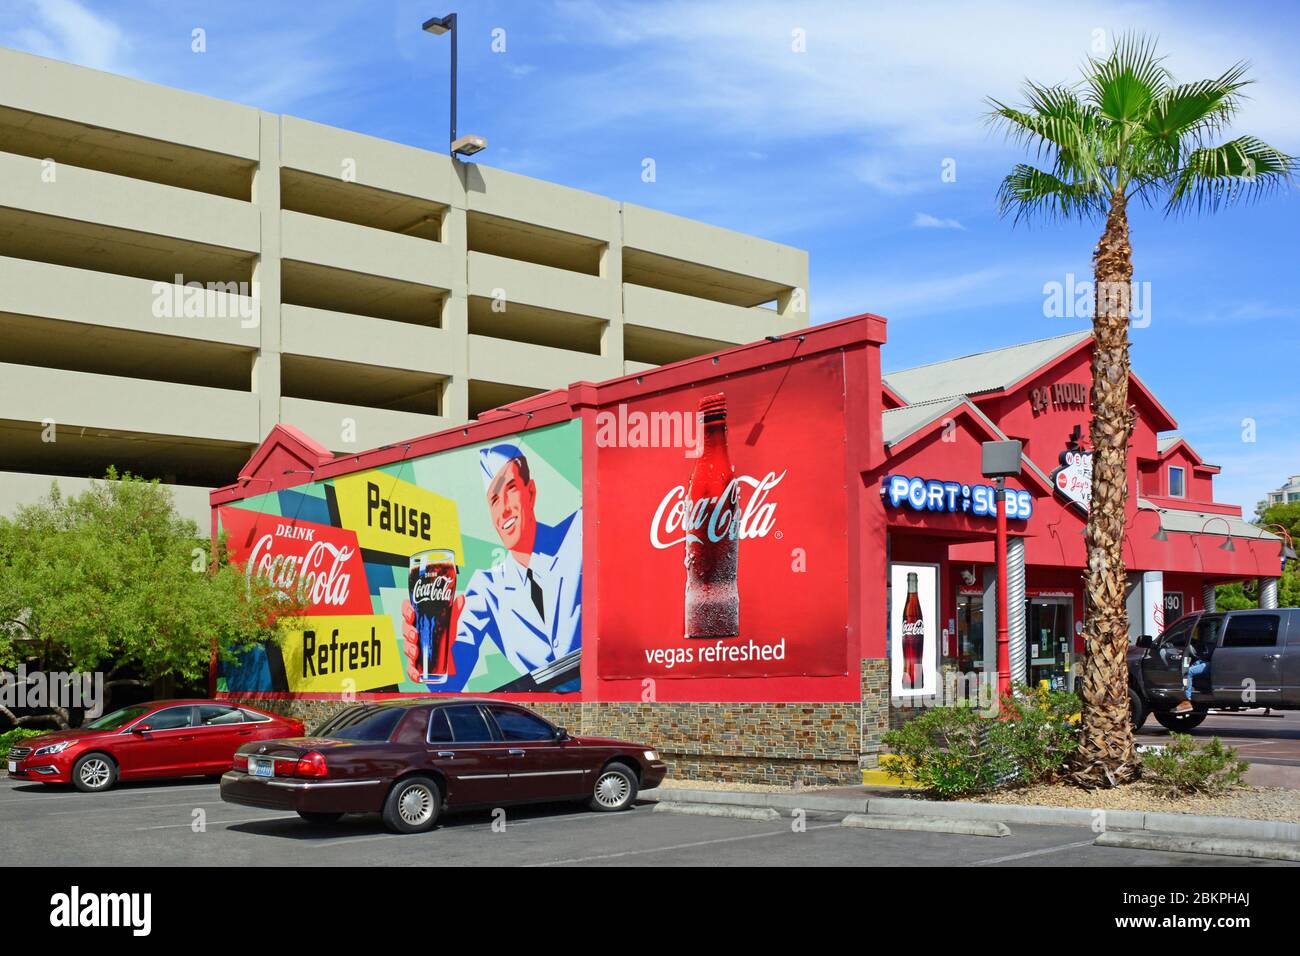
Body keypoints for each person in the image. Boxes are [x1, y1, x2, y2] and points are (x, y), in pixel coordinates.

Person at [402, 443, 582, 691]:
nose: (504, 508)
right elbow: (449, 685)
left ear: (531, 492)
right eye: (494, 500)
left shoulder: (578, 533)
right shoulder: (487, 588)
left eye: (511, 489)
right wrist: (439, 656)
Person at [1173, 626, 1211, 713]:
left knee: (1189, 671)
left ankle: (1187, 700)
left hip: (1213, 664)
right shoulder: (1211, 641)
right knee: (1195, 664)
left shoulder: (1213, 641)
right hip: (1206, 661)